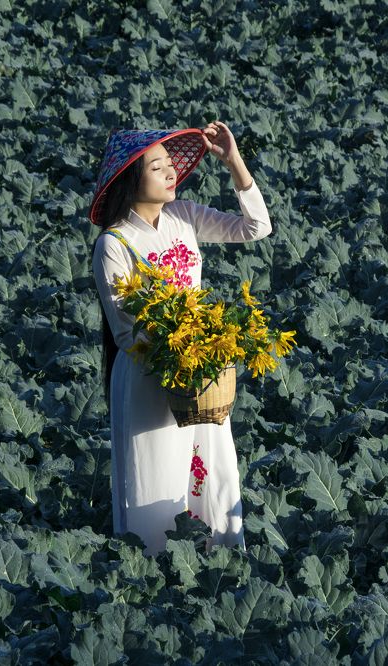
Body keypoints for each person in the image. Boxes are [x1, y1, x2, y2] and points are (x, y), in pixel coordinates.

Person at [89, 121, 272, 557]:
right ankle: (156, 569)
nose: (171, 172)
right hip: (151, 374)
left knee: (211, 470)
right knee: (157, 477)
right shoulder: (114, 243)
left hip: (201, 376)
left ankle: (217, 562)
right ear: (131, 179)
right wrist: (186, 344)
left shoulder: (184, 215)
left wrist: (234, 161)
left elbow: (256, 227)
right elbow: (125, 332)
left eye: (170, 164)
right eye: (157, 167)